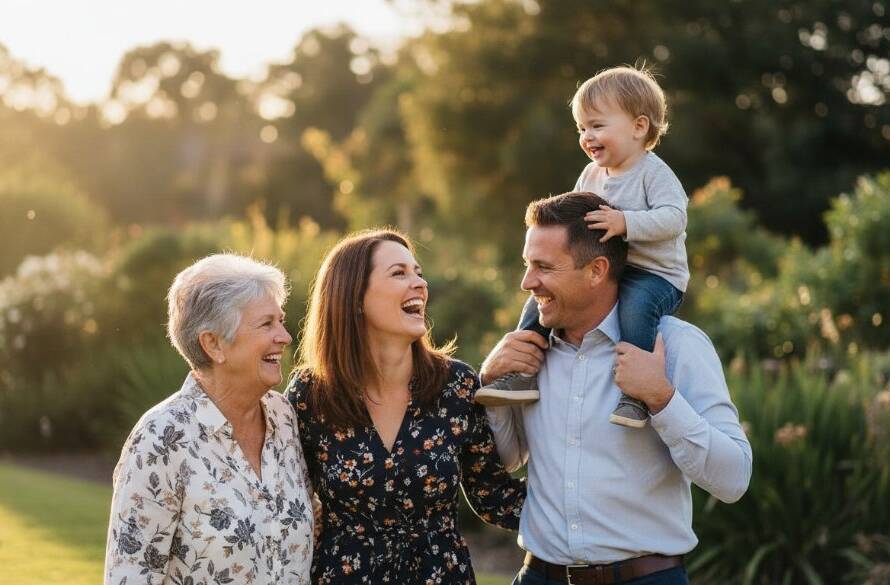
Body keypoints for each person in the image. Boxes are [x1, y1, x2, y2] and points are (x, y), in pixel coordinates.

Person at [483, 192, 752, 585]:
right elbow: (507, 459)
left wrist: (661, 398)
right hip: (539, 577)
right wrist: (491, 386)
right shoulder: (526, 354)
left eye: (543, 267)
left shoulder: (678, 347)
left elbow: (734, 480)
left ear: (596, 270)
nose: (527, 282)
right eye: (527, 265)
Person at [285, 229, 525, 585]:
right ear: (354, 297)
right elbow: (287, 505)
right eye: (399, 273)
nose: (419, 284)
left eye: (418, 272)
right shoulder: (311, 395)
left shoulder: (455, 385)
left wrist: (598, 498)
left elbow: (496, 497)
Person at [476, 65, 689, 429]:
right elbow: (571, 219)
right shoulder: (591, 174)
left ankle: (635, 396)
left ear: (639, 127)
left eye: (597, 126)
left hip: (654, 274)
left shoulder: (654, 172)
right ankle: (522, 373)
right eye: (582, 128)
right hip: (607, 269)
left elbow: (675, 218)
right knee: (537, 304)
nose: (587, 136)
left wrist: (626, 223)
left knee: (636, 313)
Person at [104, 254, 313, 585]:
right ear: (213, 343)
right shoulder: (160, 438)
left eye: (281, 321)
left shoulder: (285, 417)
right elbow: (130, 575)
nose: (285, 336)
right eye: (267, 324)